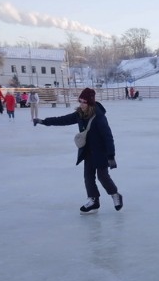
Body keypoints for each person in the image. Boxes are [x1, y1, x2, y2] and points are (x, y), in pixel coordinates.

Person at [33, 87, 123, 215]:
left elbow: (108, 137)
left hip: (100, 152)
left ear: (90, 103)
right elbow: (63, 120)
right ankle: (93, 200)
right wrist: (44, 121)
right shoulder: (80, 114)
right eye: (80, 101)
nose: (81, 104)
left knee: (102, 177)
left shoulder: (99, 117)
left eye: (83, 102)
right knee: (88, 177)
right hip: (87, 151)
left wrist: (111, 156)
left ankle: (115, 195)